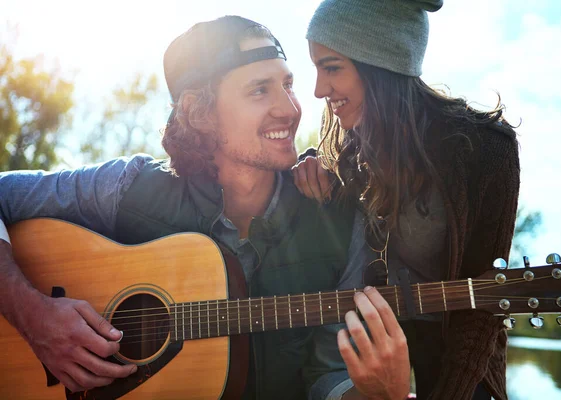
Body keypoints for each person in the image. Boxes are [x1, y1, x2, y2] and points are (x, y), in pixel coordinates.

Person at [0, 16, 410, 400]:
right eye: (259, 90)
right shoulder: (126, 189)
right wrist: (32, 315)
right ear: (200, 112)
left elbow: (330, 376)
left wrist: (378, 392)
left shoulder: (338, 216)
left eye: (287, 84)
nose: (289, 107)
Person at [292, 1, 520, 399]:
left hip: (461, 360)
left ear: (379, 64)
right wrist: (309, 165)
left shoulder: (487, 151)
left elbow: (483, 312)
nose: (318, 90)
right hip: (372, 352)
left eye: (331, 68)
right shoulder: (352, 150)